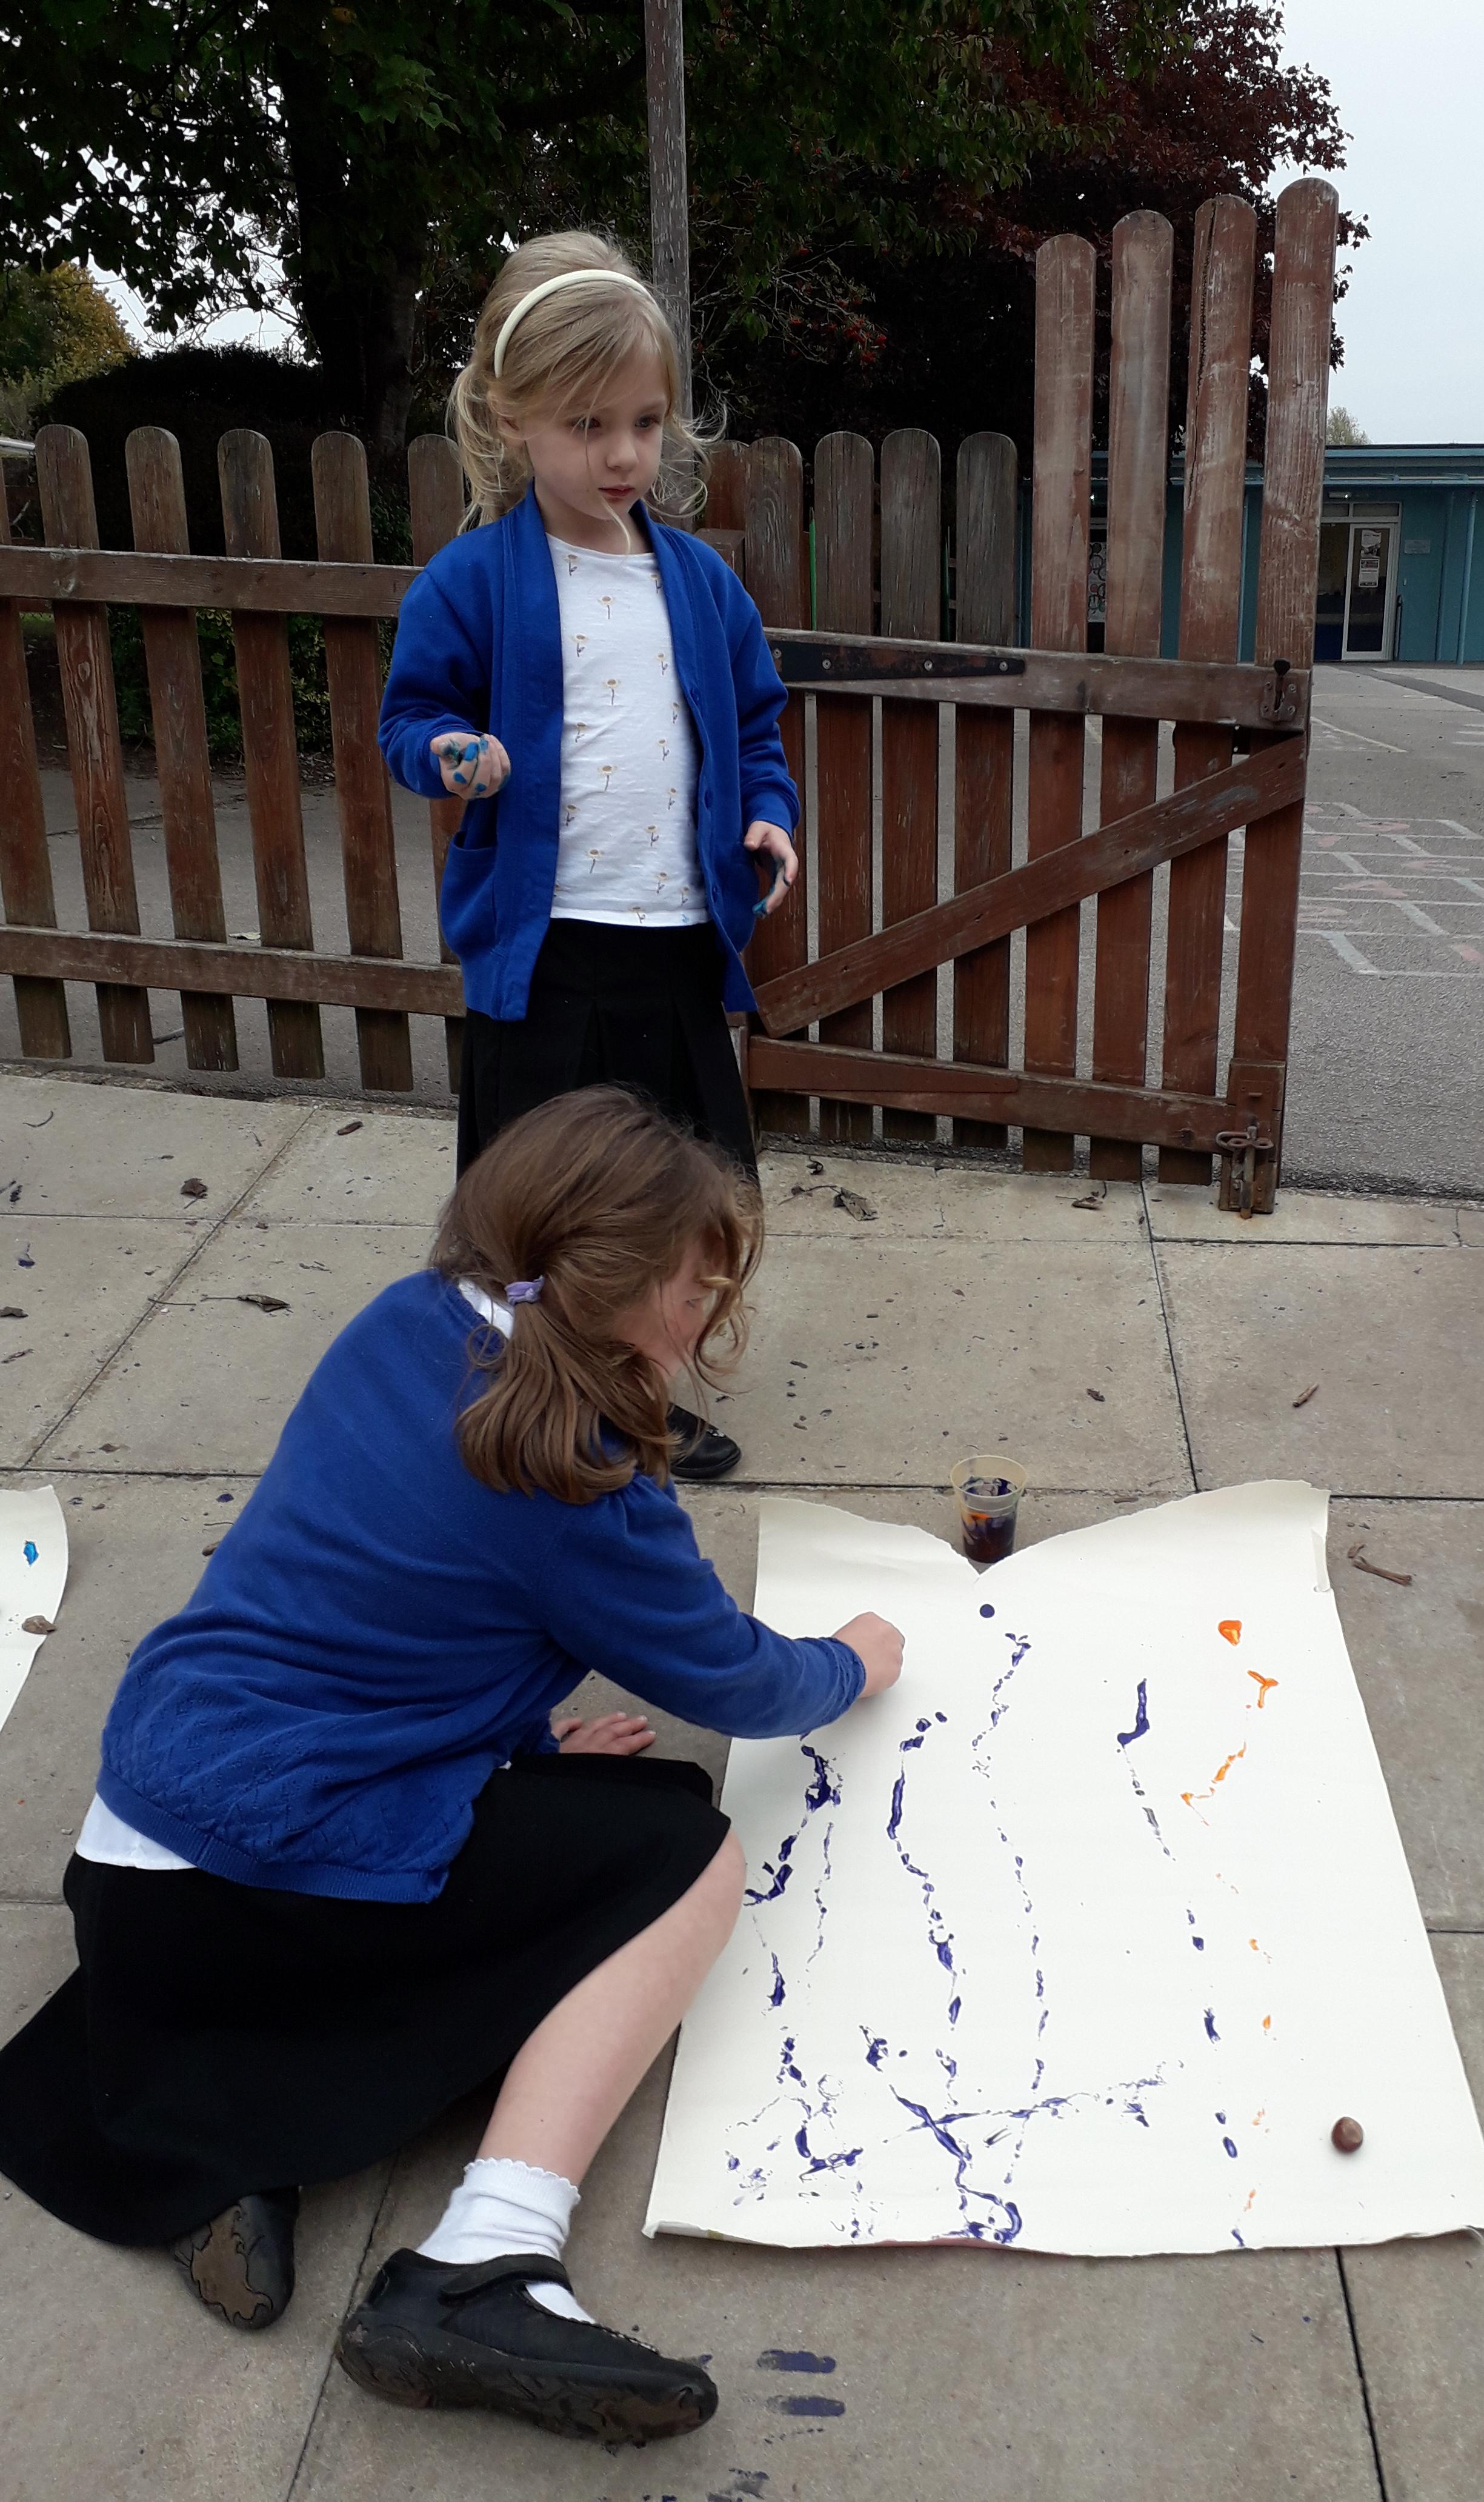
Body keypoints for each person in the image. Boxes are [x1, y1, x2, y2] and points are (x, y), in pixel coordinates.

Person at [0, 1089, 903, 2452]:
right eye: (699, 1286)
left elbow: (385, 1601)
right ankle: (487, 2261)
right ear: (630, 1292)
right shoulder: (577, 1470)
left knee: (597, 1804)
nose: (711, 1311)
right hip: (261, 1886)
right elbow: (736, 1681)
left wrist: (515, 1742)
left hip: (138, 1849)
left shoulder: (403, 1321)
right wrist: (853, 1661)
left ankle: (226, 2142)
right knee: (684, 1852)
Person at [379, 227, 802, 1482]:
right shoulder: (470, 583)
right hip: (546, 960)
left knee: (677, 1203)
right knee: (537, 1206)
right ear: (510, 418)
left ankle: (637, 1398)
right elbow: (410, 719)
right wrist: (451, 753)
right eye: (587, 425)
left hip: (676, 951)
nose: (624, 455)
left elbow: (756, 726)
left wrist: (768, 814)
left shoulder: (702, 586)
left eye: (645, 422)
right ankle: (532, 1395)